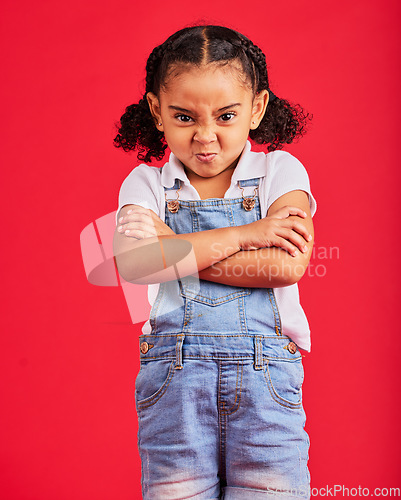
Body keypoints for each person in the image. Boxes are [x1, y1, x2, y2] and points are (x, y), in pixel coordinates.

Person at [112, 24, 316, 500]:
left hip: (267, 384)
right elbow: (136, 264)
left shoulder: (279, 171)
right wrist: (248, 235)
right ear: (157, 112)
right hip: (175, 385)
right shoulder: (144, 183)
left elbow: (285, 267)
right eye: (184, 117)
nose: (206, 137)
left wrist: (173, 250)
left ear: (256, 108)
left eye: (226, 116)